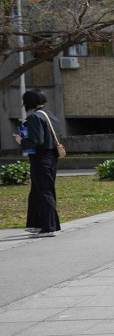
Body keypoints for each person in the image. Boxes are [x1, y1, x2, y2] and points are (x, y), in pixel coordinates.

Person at [13, 89, 62, 237]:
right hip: (51, 156)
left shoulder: (34, 117)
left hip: (41, 158)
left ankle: (48, 228)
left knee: (44, 191)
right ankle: (38, 224)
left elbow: (37, 140)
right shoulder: (51, 116)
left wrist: (22, 141)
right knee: (38, 191)